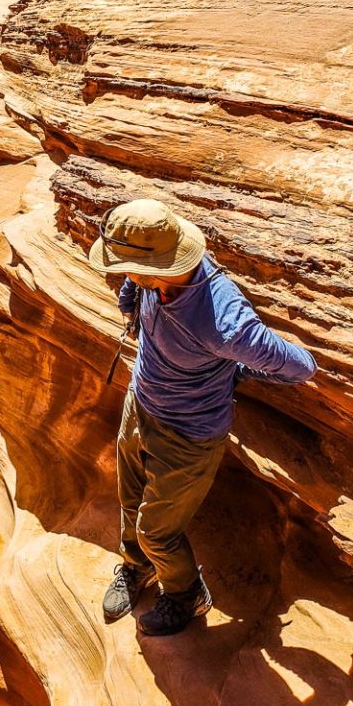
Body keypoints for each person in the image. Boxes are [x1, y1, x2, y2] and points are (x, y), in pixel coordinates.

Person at [88, 199, 317, 636]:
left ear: (153, 263)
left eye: (126, 268)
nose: (121, 274)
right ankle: (137, 569)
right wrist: (132, 296)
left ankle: (185, 594)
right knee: (131, 499)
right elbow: (136, 291)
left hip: (187, 435)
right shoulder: (161, 269)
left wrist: (236, 370)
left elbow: (300, 366)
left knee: (158, 532)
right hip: (141, 402)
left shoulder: (224, 323)